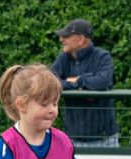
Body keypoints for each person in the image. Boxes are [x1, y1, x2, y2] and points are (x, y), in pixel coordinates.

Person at [49, 18, 119, 148]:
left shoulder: (102, 56)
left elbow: (103, 81)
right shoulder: (64, 58)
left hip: (105, 139)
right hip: (72, 138)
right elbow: (49, 81)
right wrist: (82, 85)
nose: (61, 40)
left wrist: (77, 80)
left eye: (66, 36)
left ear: (80, 39)